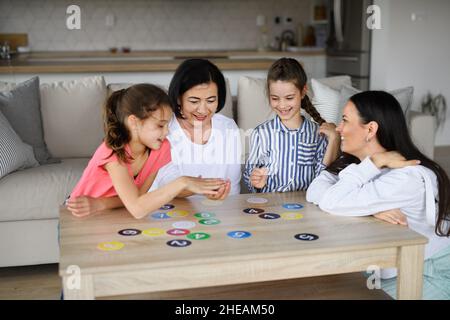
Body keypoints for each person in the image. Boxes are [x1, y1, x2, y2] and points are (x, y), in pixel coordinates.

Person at [306, 91, 450, 299]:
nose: (339, 128)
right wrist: (371, 209)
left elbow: (331, 200)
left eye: (345, 120)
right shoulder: (359, 163)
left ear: (371, 129)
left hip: (428, 270)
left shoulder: (406, 177)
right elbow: (316, 188)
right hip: (387, 270)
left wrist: (374, 164)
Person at [66, 84, 226, 219]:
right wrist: (183, 181)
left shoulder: (161, 148)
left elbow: (140, 199)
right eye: (160, 125)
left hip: (114, 214)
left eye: (167, 125)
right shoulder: (113, 152)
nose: (166, 132)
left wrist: (201, 189)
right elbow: (138, 209)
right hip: (80, 216)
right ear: (134, 122)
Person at [243, 58, 341, 193]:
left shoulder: (317, 133)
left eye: (289, 98)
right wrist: (255, 181)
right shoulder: (261, 133)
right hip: (271, 206)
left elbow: (323, 179)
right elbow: (249, 173)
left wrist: (334, 139)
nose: (282, 105)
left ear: (303, 92)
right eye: (275, 98)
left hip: (304, 205)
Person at [149, 58, 242, 199]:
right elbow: (165, 183)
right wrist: (197, 187)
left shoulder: (228, 127)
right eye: (194, 101)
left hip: (217, 213)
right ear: (179, 98)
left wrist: (222, 195)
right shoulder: (164, 129)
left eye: (211, 100)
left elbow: (233, 188)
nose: (203, 110)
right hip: (169, 212)